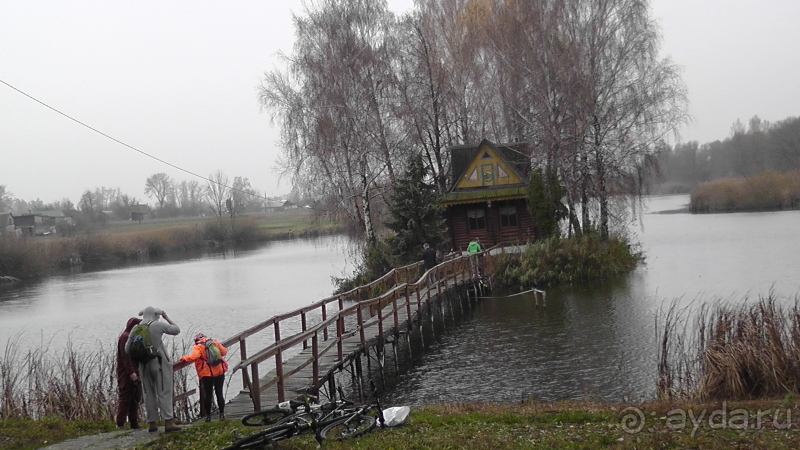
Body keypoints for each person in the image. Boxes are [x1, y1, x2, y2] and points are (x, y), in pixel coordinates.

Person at [126, 306, 181, 433]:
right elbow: (176, 330)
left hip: (143, 365)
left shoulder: (136, 328)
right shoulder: (157, 325)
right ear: (155, 314)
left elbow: (127, 349)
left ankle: (152, 423)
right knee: (164, 391)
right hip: (159, 364)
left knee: (148, 394)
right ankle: (168, 422)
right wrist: (166, 317)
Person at [179, 333, 228, 422]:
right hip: (219, 371)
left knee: (208, 395)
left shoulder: (198, 347)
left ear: (196, 340)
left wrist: (183, 358)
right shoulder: (214, 342)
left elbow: (194, 356)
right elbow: (224, 352)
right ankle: (222, 414)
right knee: (219, 393)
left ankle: (208, 416)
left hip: (207, 374)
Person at [116, 317, 142, 429]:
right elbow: (125, 357)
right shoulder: (125, 337)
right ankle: (120, 423)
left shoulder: (130, 337)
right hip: (126, 374)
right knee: (125, 397)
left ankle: (133, 422)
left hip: (133, 371)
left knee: (135, 396)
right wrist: (131, 373)